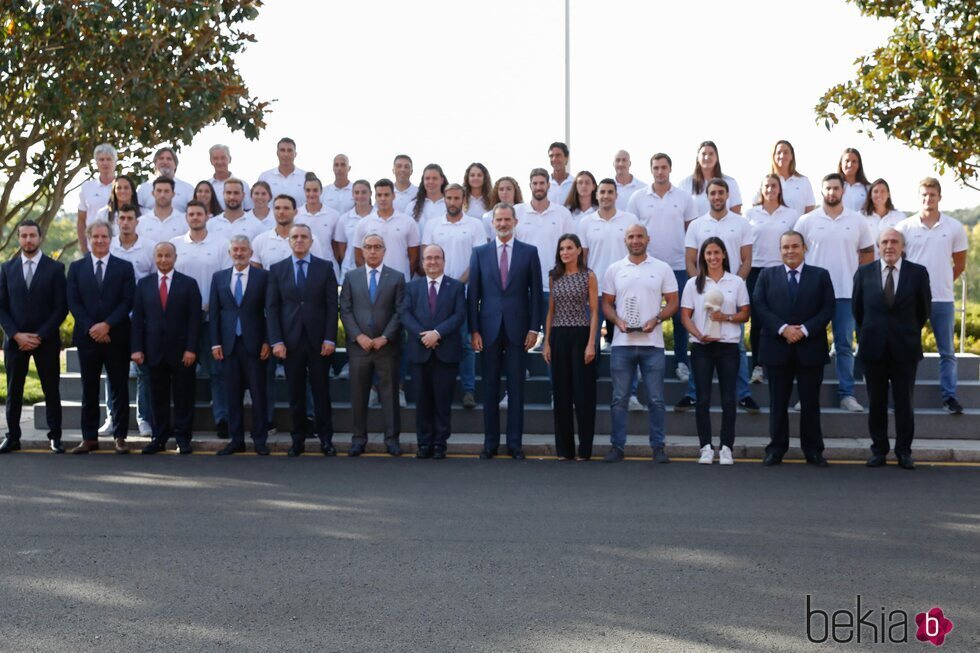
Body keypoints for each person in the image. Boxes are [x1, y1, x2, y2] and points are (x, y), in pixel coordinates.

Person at [752, 231, 835, 467]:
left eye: (795, 246)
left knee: (810, 404)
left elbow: (827, 308)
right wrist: (783, 329)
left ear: (804, 248)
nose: (790, 251)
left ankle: (813, 450)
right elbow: (760, 306)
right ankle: (776, 449)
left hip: (810, 348)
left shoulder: (820, 276)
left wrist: (804, 330)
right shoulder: (767, 276)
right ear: (780, 250)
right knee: (778, 403)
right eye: (786, 247)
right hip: (777, 348)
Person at [794, 173, 875, 411]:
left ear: (843, 191)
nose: (832, 192)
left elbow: (868, 251)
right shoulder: (806, 220)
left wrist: (860, 280)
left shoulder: (857, 220)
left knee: (843, 345)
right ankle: (806, 395)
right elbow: (794, 253)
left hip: (845, 293)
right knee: (807, 345)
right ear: (822, 191)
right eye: (827, 188)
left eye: (836, 188)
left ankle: (847, 394)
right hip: (812, 293)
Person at [468, 202, 542, 459]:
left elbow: (536, 295)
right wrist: (474, 330)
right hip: (487, 329)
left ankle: (514, 444)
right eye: (498, 220)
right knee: (489, 389)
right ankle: (490, 444)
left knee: (516, 389)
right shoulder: (479, 253)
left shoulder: (529, 252)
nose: (502, 224)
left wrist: (535, 328)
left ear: (515, 222)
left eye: (507, 220)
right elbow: (473, 295)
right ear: (493, 223)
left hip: (518, 330)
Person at [853, 229, 931, 469]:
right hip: (873, 348)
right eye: (884, 242)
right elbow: (858, 310)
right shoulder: (864, 273)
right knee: (876, 402)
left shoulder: (917, 273)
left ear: (902, 246)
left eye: (894, 242)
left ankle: (904, 452)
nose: (889, 246)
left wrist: (905, 333)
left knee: (904, 403)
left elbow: (923, 311)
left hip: (904, 349)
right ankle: (879, 450)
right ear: (878, 246)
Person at [601, 224, 678, 463]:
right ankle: (617, 446)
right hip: (622, 344)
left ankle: (658, 447)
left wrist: (657, 319)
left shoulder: (662, 268)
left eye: (639, 236)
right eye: (631, 237)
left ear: (648, 238)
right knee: (619, 398)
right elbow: (606, 304)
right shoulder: (614, 269)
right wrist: (617, 321)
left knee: (656, 399)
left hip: (652, 344)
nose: (635, 240)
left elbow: (673, 302)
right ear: (625, 240)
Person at [683, 178, 758, 413]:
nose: (717, 197)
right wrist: (700, 287)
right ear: (707, 196)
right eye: (712, 193)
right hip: (703, 290)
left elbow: (747, 259)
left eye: (721, 193)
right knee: (700, 341)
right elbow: (690, 258)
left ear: (728, 195)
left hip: (731, 288)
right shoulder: (696, 225)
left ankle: (743, 394)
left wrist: (735, 284)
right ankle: (694, 393)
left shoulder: (741, 223)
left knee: (735, 344)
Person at [897, 177, 969, 414]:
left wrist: (941, 282)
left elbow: (959, 265)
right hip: (911, 301)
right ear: (919, 197)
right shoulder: (904, 228)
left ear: (940, 197)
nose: (928, 198)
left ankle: (949, 398)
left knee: (947, 351)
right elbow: (897, 263)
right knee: (907, 349)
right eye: (924, 195)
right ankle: (903, 395)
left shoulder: (954, 227)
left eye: (932, 194)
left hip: (942, 299)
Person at [266, 224, 339, 457]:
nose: (299, 240)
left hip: (319, 342)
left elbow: (331, 307)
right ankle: (297, 440)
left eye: (304, 237)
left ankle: (326, 440)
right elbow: (273, 307)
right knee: (295, 394)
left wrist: (330, 338)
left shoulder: (325, 267)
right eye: (295, 237)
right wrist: (276, 341)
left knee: (321, 393)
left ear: (311, 241)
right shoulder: (277, 269)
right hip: (290, 342)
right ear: (289, 241)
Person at [626, 153, 697, 388]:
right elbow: (632, 233)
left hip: (677, 266)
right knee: (643, 315)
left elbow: (692, 233)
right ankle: (637, 366)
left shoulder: (684, 198)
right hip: (647, 265)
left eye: (663, 167)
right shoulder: (638, 198)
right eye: (655, 167)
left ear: (670, 169)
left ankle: (680, 362)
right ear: (651, 170)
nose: (660, 171)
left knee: (679, 317)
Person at [67, 221, 136, 454]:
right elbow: (74, 302)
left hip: (116, 337)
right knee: (89, 388)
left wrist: (107, 325)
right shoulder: (76, 268)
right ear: (88, 239)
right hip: (88, 339)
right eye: (95, 236)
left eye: (104, 236)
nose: (99, 240)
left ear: (110, 238)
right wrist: (93, 328)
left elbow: (127, 301)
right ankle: (89, 438)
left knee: (119, 388)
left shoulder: (124, 268)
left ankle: (120, 437)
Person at [679, 238, 750, 465]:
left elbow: (745, 314)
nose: (713, 257)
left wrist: (726, 317)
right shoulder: (693, 284)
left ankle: (727, 447)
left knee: (729, 398)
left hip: (728, 347)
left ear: (724, 255)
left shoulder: (736, 282)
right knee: (702, 399)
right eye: (708, 253)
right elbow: (684, 316)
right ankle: (706, 447)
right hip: (702, 347)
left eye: (717, 252)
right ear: (703, 257)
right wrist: (699, 335)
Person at [0, 220, 68, 454]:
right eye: (23, 236)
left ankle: (55, 436)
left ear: (40, 238)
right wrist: (16, 335)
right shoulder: (6, 269)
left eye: (32, 235)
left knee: (51, 390)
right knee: (14, 391)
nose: (28, 240)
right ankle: (13, 437)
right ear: (19, 238)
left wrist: (39, 335)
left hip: (45, 340)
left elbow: (61, 308)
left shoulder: (56, 269)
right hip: (15, 341)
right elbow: (1, 307)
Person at [132, 242, 201, 455]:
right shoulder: (144, 285)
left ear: (175, 257)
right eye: (160, 256)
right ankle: (159, 437)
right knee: (157, 397)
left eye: (167, 256)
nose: (163, 260)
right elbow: (138, 320)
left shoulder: (189, 284)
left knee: (183, 397)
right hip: (153, 352)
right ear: (155, 258)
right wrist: (137, 349)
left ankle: (183, 438)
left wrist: (191, 348)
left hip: (182, 353)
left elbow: (195, 320)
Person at [421, 183, 486, 408]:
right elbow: (427, 257)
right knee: (437, 341)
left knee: (466, 342)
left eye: (456, 198)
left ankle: (468, 391)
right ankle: (438, 391)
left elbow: (476, 261)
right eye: (448, 198)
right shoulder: (432, 225)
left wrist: (456, 286)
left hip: (464, 291)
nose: (452, 202)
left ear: (463, 199)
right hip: (435, 293)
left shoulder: (475, 225)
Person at [170, 200, 232, 438]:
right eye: (191, 214)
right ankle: (181, 423)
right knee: (180, 373)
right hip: (180, 321)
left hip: (209, 318)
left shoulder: (220, 244)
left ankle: (222, 419)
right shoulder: (175, 245)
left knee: (217, 371)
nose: (195, 217)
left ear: (207, 216)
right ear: (186, 217)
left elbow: (225, 281)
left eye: (199, 213)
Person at [340, 234, 405, 456]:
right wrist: (359, 337)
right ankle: (358, 439)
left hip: (386, 346)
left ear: (384, 250)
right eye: (368, 247)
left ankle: (392, 439)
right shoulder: (351, 277)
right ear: (362, 251)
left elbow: (399, 311)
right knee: (358, 395)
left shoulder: (396, 277)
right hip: (360, 347)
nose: (373, 251)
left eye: (378, 247)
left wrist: (385, 337)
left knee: (389, 395)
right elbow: (345, 310)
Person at [399, 244, 466, 459]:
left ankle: (440, 444)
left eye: (437, 258)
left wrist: (437, 333)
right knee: (422, 400)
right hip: (420, 352)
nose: (433, 262)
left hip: (445, 352)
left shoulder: (455, 287)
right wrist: (424, 335)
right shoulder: (412, 287)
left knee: (442, 401)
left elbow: (459, 316)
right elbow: (405, 314)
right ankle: (424, 443)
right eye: (428, 258)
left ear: (444, 262)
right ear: (422, 262)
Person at [210, 235, 272, 456]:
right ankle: (236, 440)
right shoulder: (218, 278)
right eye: (235, 250)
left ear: (250, 253)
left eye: (243, 250)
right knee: (232, 395)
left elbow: (270, 312)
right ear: (229, 253)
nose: (239, 253)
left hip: (255, 344)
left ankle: (260, 440)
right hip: (229, 345)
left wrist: (268, 341)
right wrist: (215, 343)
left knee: (258, 394)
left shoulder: (263, 277)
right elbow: (215, 314)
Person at [543, 234, 598, 461]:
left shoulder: (588, 276)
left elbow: (594, 310)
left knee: (583, 394)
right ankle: (564, 450)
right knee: (562, 393)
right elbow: (551, 311)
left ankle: (584, 450)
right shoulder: (554, 276)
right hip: (558, 335)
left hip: (581, 334)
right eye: (562, 248)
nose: (565, 252)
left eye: (569, 248)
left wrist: (591, 343)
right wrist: (546, 341)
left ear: (578, 251)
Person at [745, 174, 801, 384]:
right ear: (761, 189)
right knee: (759, 321)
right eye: (766, 185)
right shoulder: (750, 213)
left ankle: (785, 364)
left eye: (774, 186)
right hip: (757, 271)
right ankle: (758, 366)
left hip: (782, 270)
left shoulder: (791, 214)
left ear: (780, 189)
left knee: (785, 317)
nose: (770, 189)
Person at [578, 178, 638, 359]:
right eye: (602, 192)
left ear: (616, 195)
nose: (606, 196)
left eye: (610, 192)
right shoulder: (586, 222)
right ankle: (590, 381)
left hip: (623, 288)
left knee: (626, 340)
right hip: (594, 289)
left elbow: (636, 252)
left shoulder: (630, 219)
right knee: (591, 342)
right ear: (596, 195)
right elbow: (583, 258)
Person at [109, 205, 155, 436]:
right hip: (115, 317)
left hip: (141, 317)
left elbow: (156, 280)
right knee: (112, 369)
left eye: (130, 218)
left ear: (137, 221)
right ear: (117, 221)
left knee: (142, 369)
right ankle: (112, 416)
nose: (126, 222)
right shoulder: (109, 245)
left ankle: (143, 417)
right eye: (122, 218)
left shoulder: (148, 247)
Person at [517, 168, 573, 350]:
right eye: (535, 183)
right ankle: (521, 373)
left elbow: (570, 250)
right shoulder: (517, 212)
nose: (539, 187)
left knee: (554, 342)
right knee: (521, 337)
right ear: (530, 186)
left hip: (554, 286)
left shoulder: (562, 213)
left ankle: (554, 378)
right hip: (523, 288)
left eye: (542, 183)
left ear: (548, 185)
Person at [353, 179, 420, 281]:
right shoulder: (364, 223)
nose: (383, 198)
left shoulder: (408, 222)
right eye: (379, 195)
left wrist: (403, 277)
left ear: (394, 196)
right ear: (375, 197)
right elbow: (358, 257)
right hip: (374, 283)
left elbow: (414, 257)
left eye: (386, 195)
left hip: (401, 282)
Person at [295, 173, 342, 278]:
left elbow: (337, 245)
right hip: (304, 269)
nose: (311, 194)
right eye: (308, 190)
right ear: (304, 191)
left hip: (329, 267)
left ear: (321, 191)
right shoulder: (296, 214)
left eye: (315, 190)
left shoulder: (334, 215)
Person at [678, 141, 743, 215]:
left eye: (711, 154)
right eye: (703, 154)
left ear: (717, 157)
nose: (707, 157)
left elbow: (735, 213)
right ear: (697, 158)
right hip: (696, 226)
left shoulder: (730, 182)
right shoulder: (685, 184)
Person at [76, 143, 117, 253]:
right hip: (93, 247)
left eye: (109, 159)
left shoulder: (123, 187)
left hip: (118, 247)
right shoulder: (87, 188)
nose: (105, 163)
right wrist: (85, 250)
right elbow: (81, 221)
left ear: (115, 162)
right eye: (101, 159)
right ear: (96, 162)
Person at [336, 179, 373, 284]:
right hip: (349, 271)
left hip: (374, 271)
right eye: (356, 192)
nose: (360, 196)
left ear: (370, 194)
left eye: (364, 192)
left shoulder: (377, 216)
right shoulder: (344, 219)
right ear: (352, 194)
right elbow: (341, 249)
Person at [135, 146, 194, 212]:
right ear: (155, 163)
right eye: (161, 158)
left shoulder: (188, 189)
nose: (165, 162)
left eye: (169, 159)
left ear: (175, 165)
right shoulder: (143, 189)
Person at [207, 178, 264, 244]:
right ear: (223, 194)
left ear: (243, 195)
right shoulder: (211, 225)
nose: (232, 197)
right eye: (228, 193)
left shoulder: (257, 225)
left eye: (236, 193)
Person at [257, 137, 306, 207]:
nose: (286, 154)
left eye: (289, 150)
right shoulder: (265, 177)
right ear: (277, 153)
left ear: (295, 154)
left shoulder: (306, 177)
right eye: (282, 150)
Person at [136, 177, 187, 244]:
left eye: (166, 191)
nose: (162, 195)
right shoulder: (140, 222)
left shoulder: (184, 221)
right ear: (153, 193)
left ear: (173, 194)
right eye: (159, 191)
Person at [770, 140, 816, 214]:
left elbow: (809, 212)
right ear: (774, 156)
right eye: (778, 153)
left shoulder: (804, 181)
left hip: (798, 225)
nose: (782, 156)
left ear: (792, 156)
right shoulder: (766, 183)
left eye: (786, 152)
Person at [862, 178, 906, 254]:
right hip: (868, 263)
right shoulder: (861, 216)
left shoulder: (900, 217)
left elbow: (903, 244)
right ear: (870, 195)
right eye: (875, 192)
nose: (879, 195)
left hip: (891, 263)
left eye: (883, 191)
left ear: (888, 194)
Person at [407, 163, 448, 236]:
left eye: (434, 178)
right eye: (427, 178)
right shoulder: (412, 206)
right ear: (423, 180)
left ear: (442, 180)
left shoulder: (450, 204)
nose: (431, 182)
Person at [207, 144, 251, 211]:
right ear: (211, 161)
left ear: (230, 159)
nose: (219, 162)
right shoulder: (206, 187)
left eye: (223, 158)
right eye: (216, 158)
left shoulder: (243, 185)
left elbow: (249, 210)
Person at [838, 148, 871, 213]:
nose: (850, 164)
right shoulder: (834, 187)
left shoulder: (868, 188)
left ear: (859, 165)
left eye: (854, 161)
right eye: (847, 161)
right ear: (841, 164)